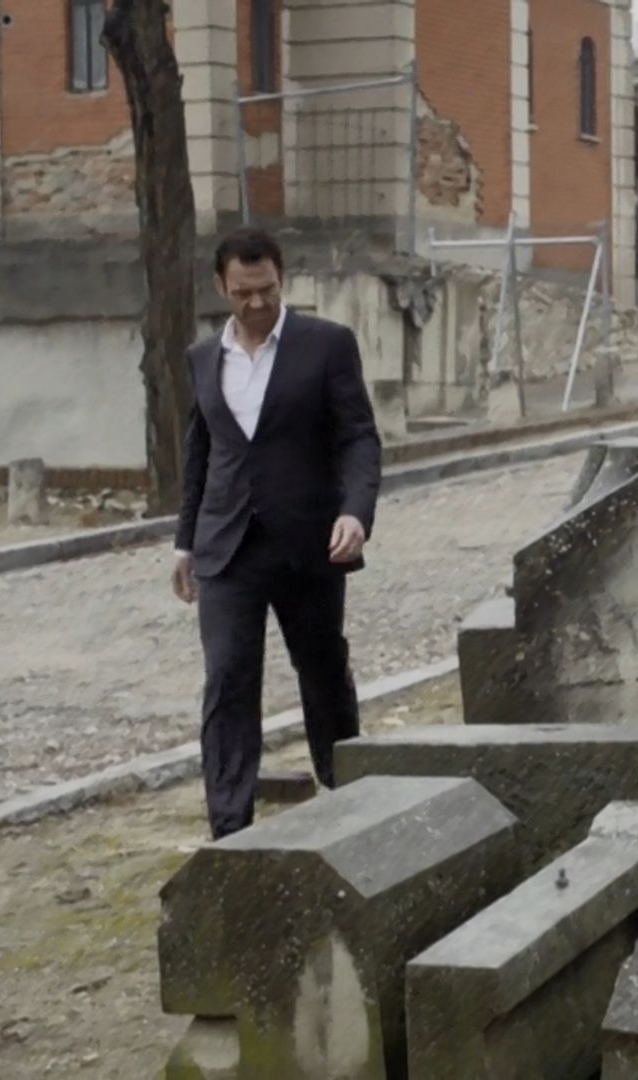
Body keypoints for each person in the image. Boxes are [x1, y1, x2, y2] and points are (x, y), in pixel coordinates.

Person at [171, 228, 382, 839]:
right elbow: (202, 452)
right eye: (243, 292)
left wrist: (356, 513)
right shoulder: (203, 357)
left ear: (281, 279)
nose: (257, 302)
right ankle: (230, 830)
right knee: (227, 679)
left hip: (310, 543)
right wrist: (184, 542)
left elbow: (359, 437)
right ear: (221, 287)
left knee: (322, 672)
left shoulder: (327, 345)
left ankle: (348, 803)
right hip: (227, 547)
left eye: (266, 289)